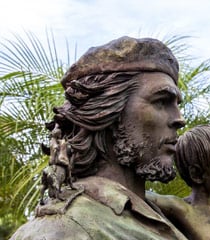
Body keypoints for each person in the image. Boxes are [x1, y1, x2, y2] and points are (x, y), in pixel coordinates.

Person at [10, 36, 187, 239]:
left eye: (177, 105)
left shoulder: (170, 217)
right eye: (162, 101)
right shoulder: (62, 230)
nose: (179, 119)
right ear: (107, 111)